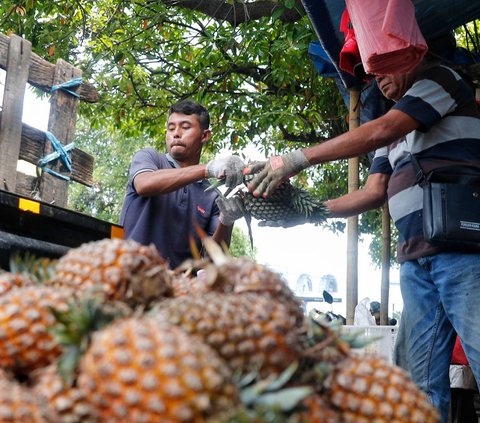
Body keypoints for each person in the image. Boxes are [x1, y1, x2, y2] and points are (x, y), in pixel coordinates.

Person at [245, 53, 480, 422]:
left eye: (384, 66)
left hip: (464, 252)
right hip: (415, 258)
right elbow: (373, 192)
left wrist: (298, 158)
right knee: (418, 381)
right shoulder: (394, 130)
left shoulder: (441, 79)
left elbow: (381, 129)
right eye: (371, 74)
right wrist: (307, 213)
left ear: (410, 54)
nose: (377, 78)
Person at [119, 99, 245, 269]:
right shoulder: (150, 159)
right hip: (128, 278)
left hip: (178, 290)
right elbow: (144, 184)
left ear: (204, 135)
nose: (176, 133)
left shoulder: (212, 196)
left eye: (185, 127)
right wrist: (208, 168)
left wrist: (227, 220)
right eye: (171, 128)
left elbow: (213, 260)